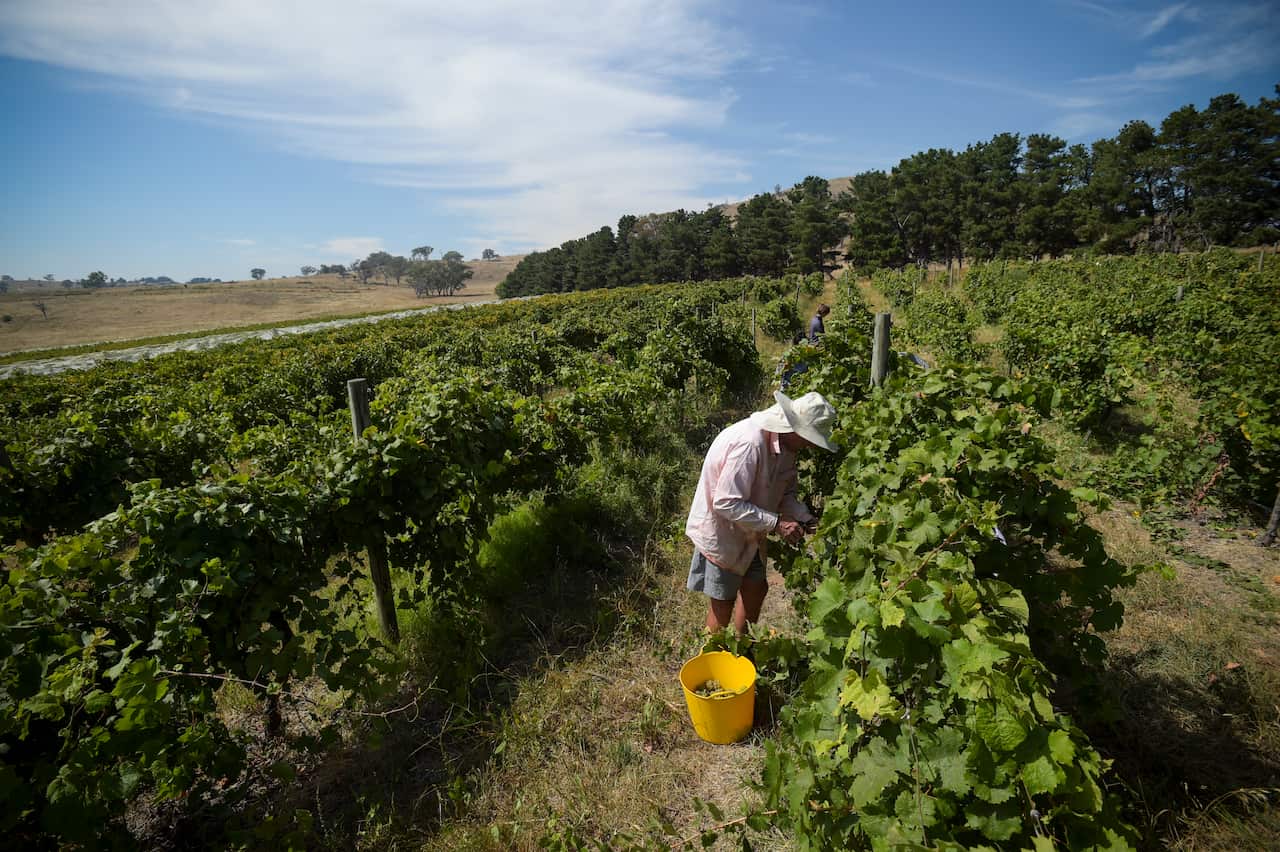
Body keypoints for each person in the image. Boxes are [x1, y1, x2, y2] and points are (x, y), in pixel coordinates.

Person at [685, 390, 838, 634]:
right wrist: (777, 524)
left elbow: (785, 493)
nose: (810, 445)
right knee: (723, 602)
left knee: (757, 587)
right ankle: (714, 662)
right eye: (809, 438)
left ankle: (743, 649)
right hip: (723, 532)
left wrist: (805, 518)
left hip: (751, 531)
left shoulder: (786, 449)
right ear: (795, 429)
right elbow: (725, 502)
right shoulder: (750, 443)